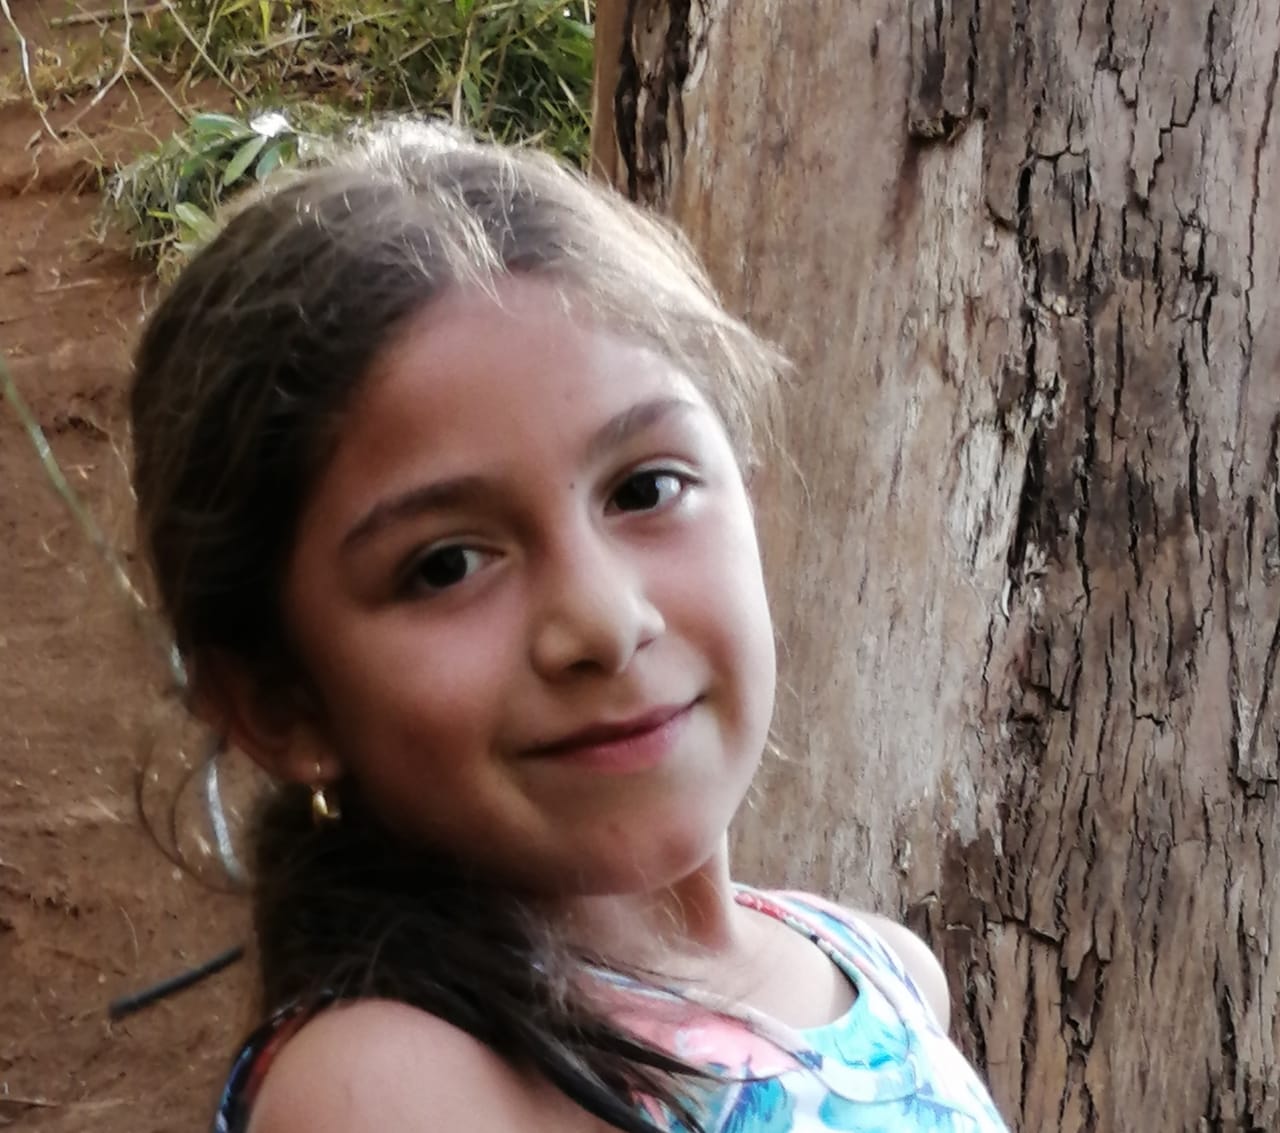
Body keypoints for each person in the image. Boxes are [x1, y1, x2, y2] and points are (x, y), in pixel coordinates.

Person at [128, 122, 1009, 1133]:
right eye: (446, 564)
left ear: (749, 495)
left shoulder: (881, 969)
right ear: (281, 703)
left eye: (646, 488)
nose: (602, 620)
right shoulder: (393, 1090)